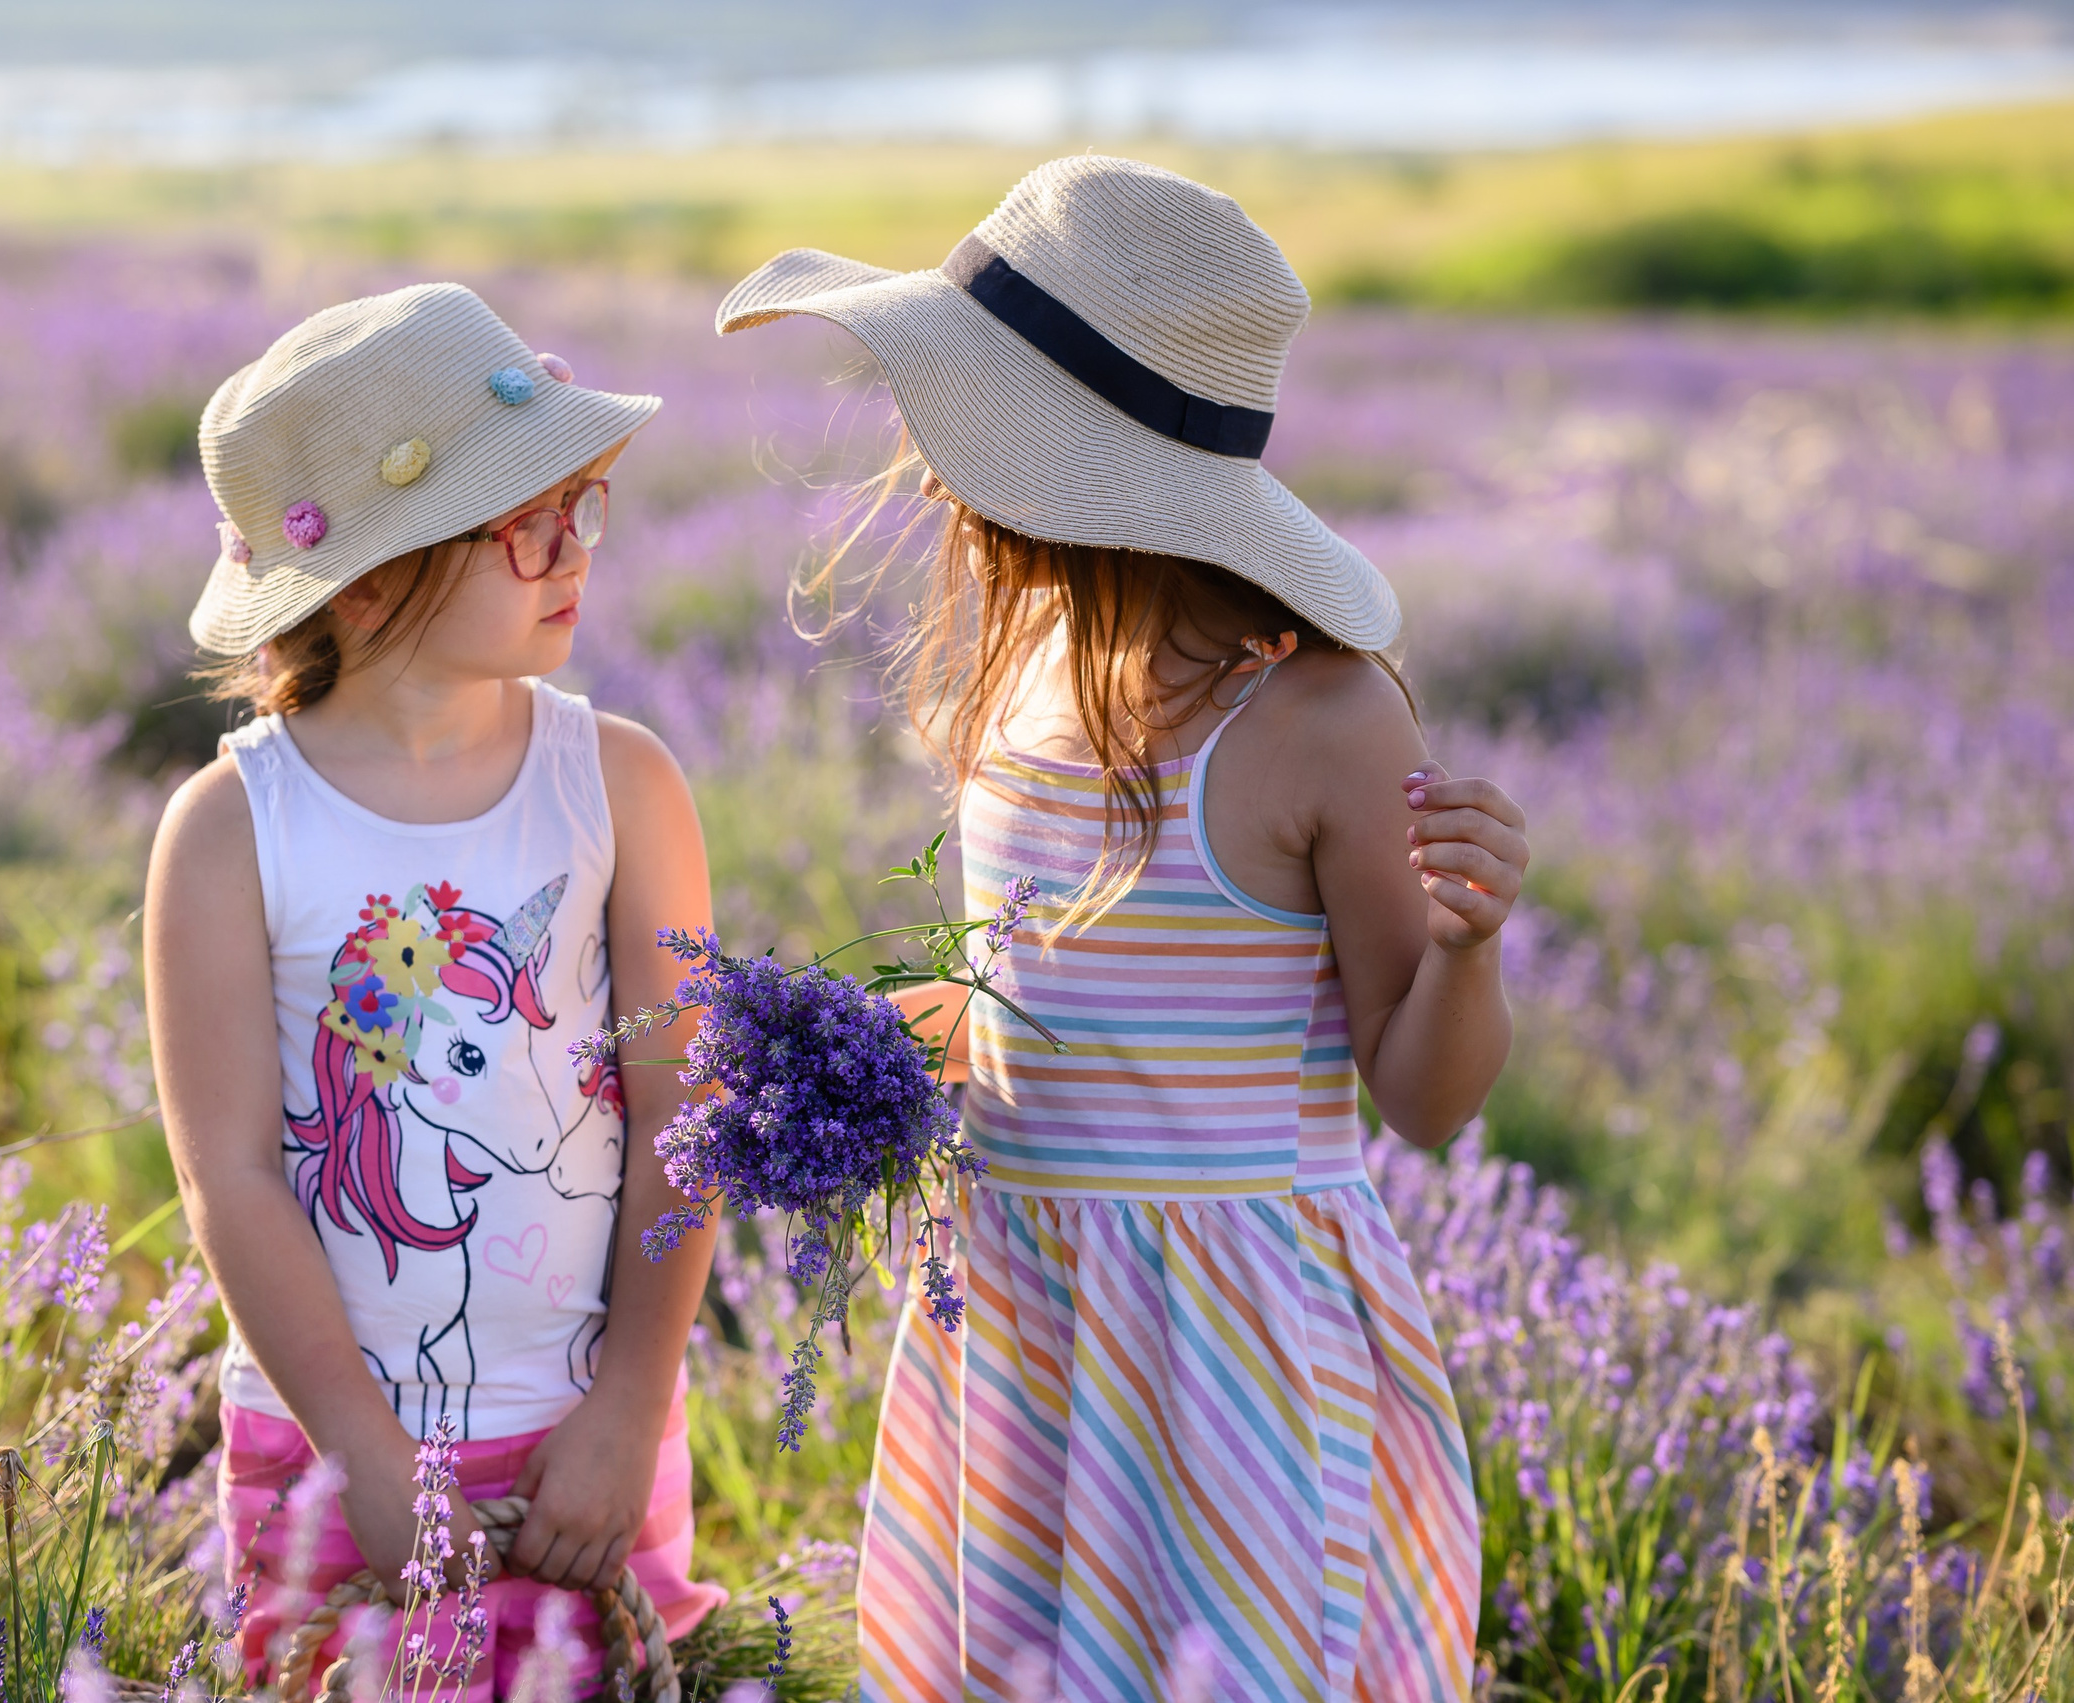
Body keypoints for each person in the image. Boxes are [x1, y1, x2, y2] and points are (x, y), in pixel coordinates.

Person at [716, 157, 1521, 1701]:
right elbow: (1021, 1006)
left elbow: (1422, 1098)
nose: (932, 467)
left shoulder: (1319, 718)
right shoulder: (1022, 676)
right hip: (1017, 1303)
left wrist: (1471, 947)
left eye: (966, 426)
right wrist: (848, 1071)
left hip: (1223, 1345)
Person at [144, 284, 725, 1695]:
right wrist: (361, 1453)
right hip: (334, 1439)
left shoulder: (621, 782)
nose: (572, 550)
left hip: (587, 1421)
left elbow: (683, 1118)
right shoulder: (232, 830)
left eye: (582, 504)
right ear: (372, 575)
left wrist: (631, 1407)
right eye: (522, 521)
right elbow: (232, 1177)